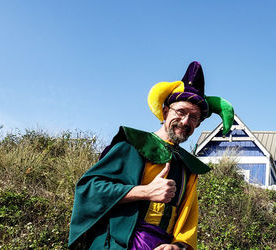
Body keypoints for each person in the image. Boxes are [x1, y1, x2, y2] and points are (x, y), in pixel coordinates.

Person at [68, 61, 234, 250]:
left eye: (194, 117)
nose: (185, 121)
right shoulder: (131, 145)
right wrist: (145, 192)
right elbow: (89, 189)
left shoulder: (188, 167)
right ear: (165, 112)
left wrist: (178, 246)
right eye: (180, 111)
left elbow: (188, 221)